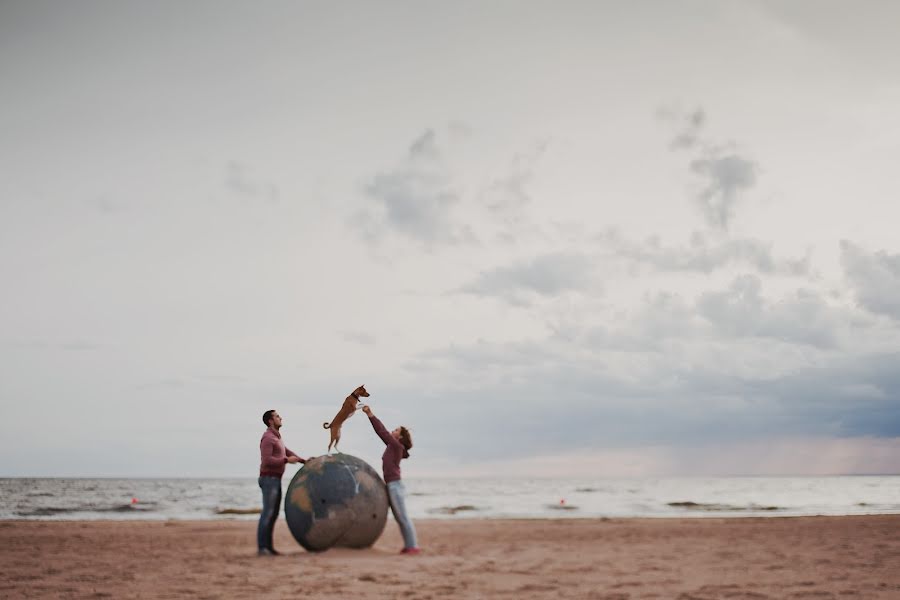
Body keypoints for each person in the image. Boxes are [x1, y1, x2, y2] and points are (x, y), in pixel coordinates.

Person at [360, 404, 420, 554]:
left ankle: (412, 546)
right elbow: (383, 434)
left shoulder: (396, 446)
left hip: (395, 486)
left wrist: (370, 415)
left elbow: (382, 432)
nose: (392, 431)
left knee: (403, 517)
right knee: (400, 517)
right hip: (391, 485)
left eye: (396, 430)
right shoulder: (392, 446)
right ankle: (409, 546)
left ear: (399, 437)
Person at [257, 409, 309, 556]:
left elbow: (287, 451)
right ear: (270, 421)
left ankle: (268, 547)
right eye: (277, 416)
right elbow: (267, 460)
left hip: (275, 479)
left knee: (272, 514)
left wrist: (304, 461)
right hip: (268, 479)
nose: (281, 418)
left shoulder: (277, 438)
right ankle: (262, 548)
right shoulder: (268, 438)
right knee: (268, 513)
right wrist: (286, 460)